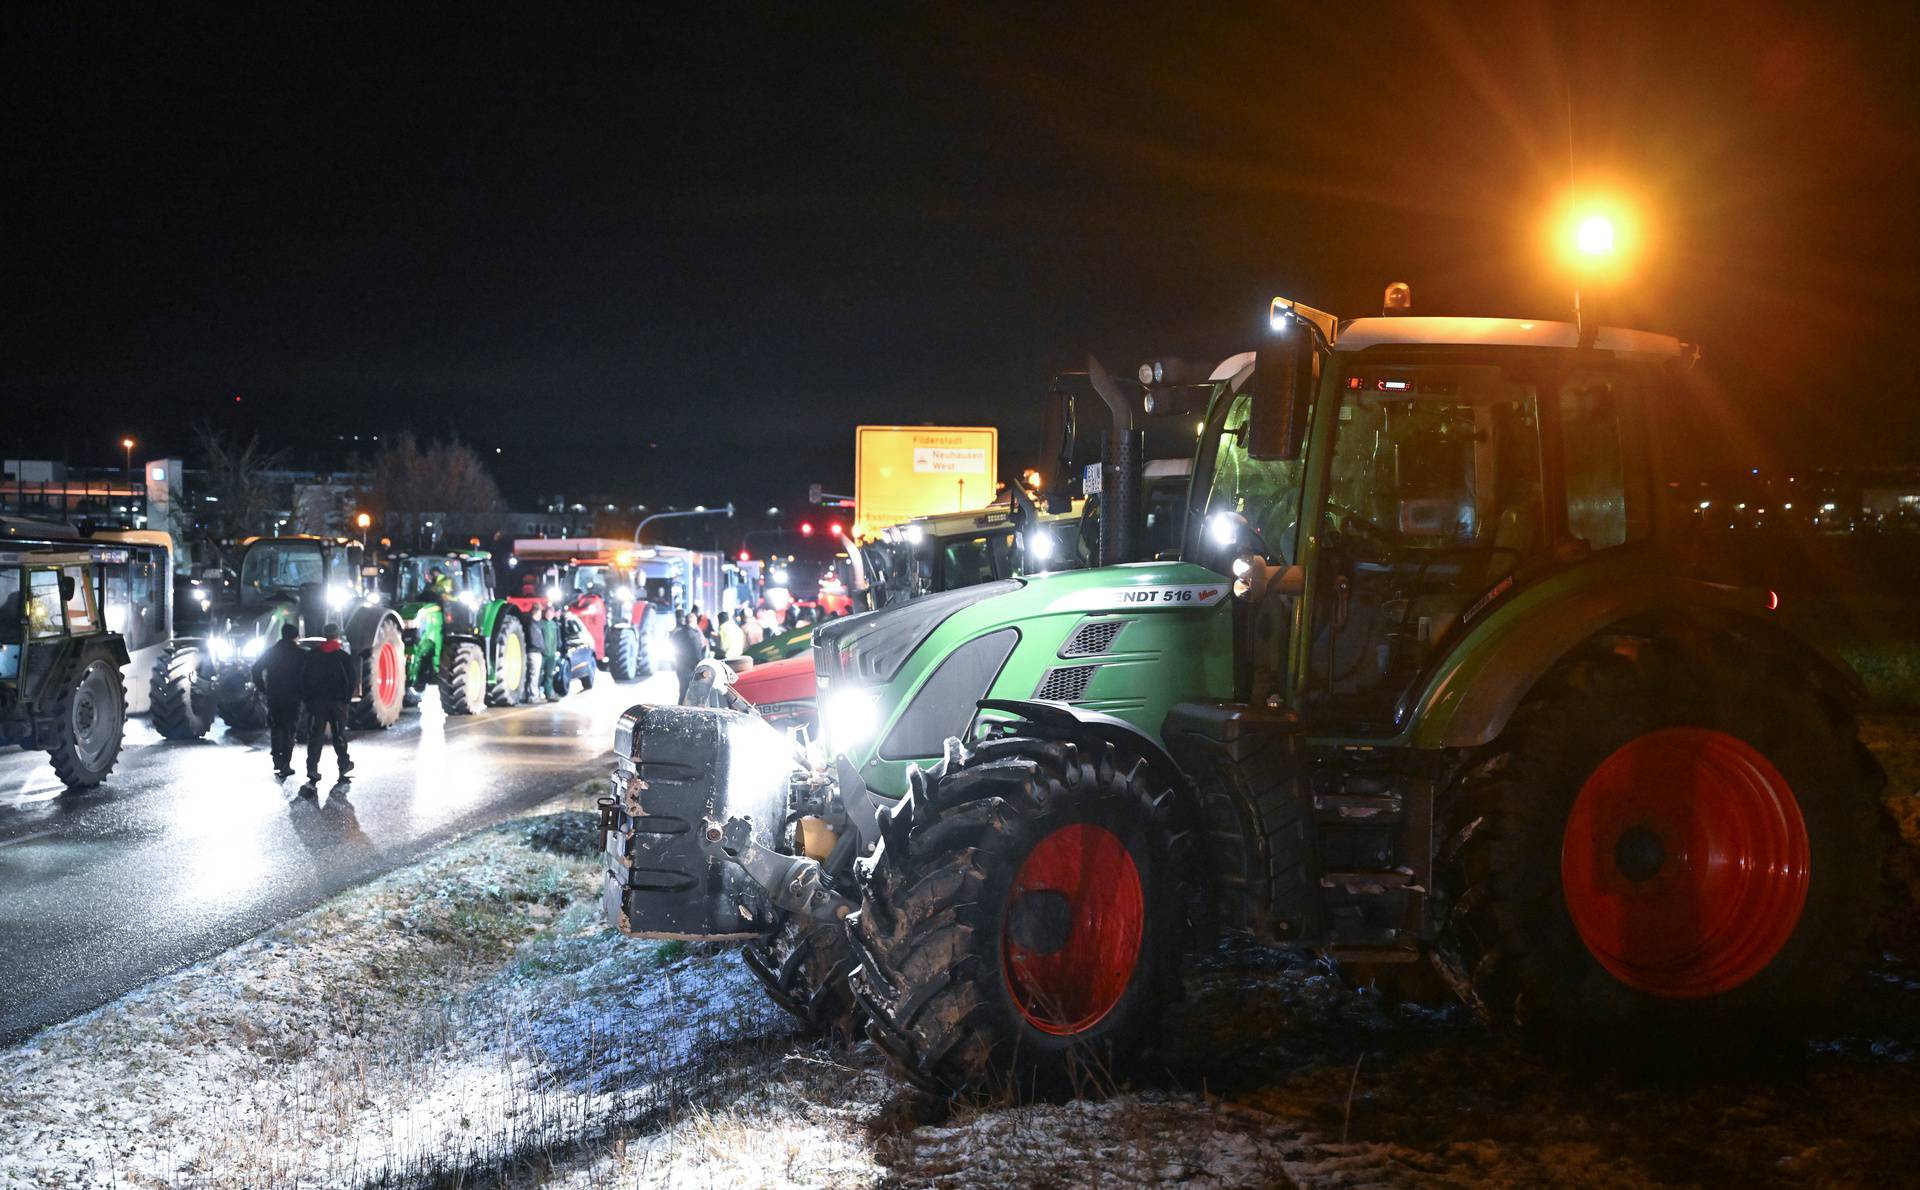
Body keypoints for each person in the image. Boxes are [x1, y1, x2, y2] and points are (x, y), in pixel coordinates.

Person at [301, 622, 358, 784]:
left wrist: (308, 699)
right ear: (337, 635)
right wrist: (346, 700)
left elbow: (303, 678)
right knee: (339, 735)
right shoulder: (343, 656)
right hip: (337, 703)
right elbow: (352, 679)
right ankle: (343, 766)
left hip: (317, 703)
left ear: (323, 634)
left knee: (316, 735)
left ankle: (312, 768)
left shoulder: (312, 655)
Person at [251, 622, 308, 778]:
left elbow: (255, 668)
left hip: (274, 695)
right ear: (295, 636)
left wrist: (262, 687)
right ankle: (286, 764)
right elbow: (309, 675)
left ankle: (276, 760)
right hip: (294, 697)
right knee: (290, 728)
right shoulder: (301, 654)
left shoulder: (271, 652)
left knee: (276, 727)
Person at [668, 609, 707, 703]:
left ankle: (680, 708)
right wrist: (701, 664)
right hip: (690, 668)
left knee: (683, 691)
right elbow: (697, 653)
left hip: (680, 666)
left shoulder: (678, 633)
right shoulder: (693, 635)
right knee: (689, 693)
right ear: (695, 621)